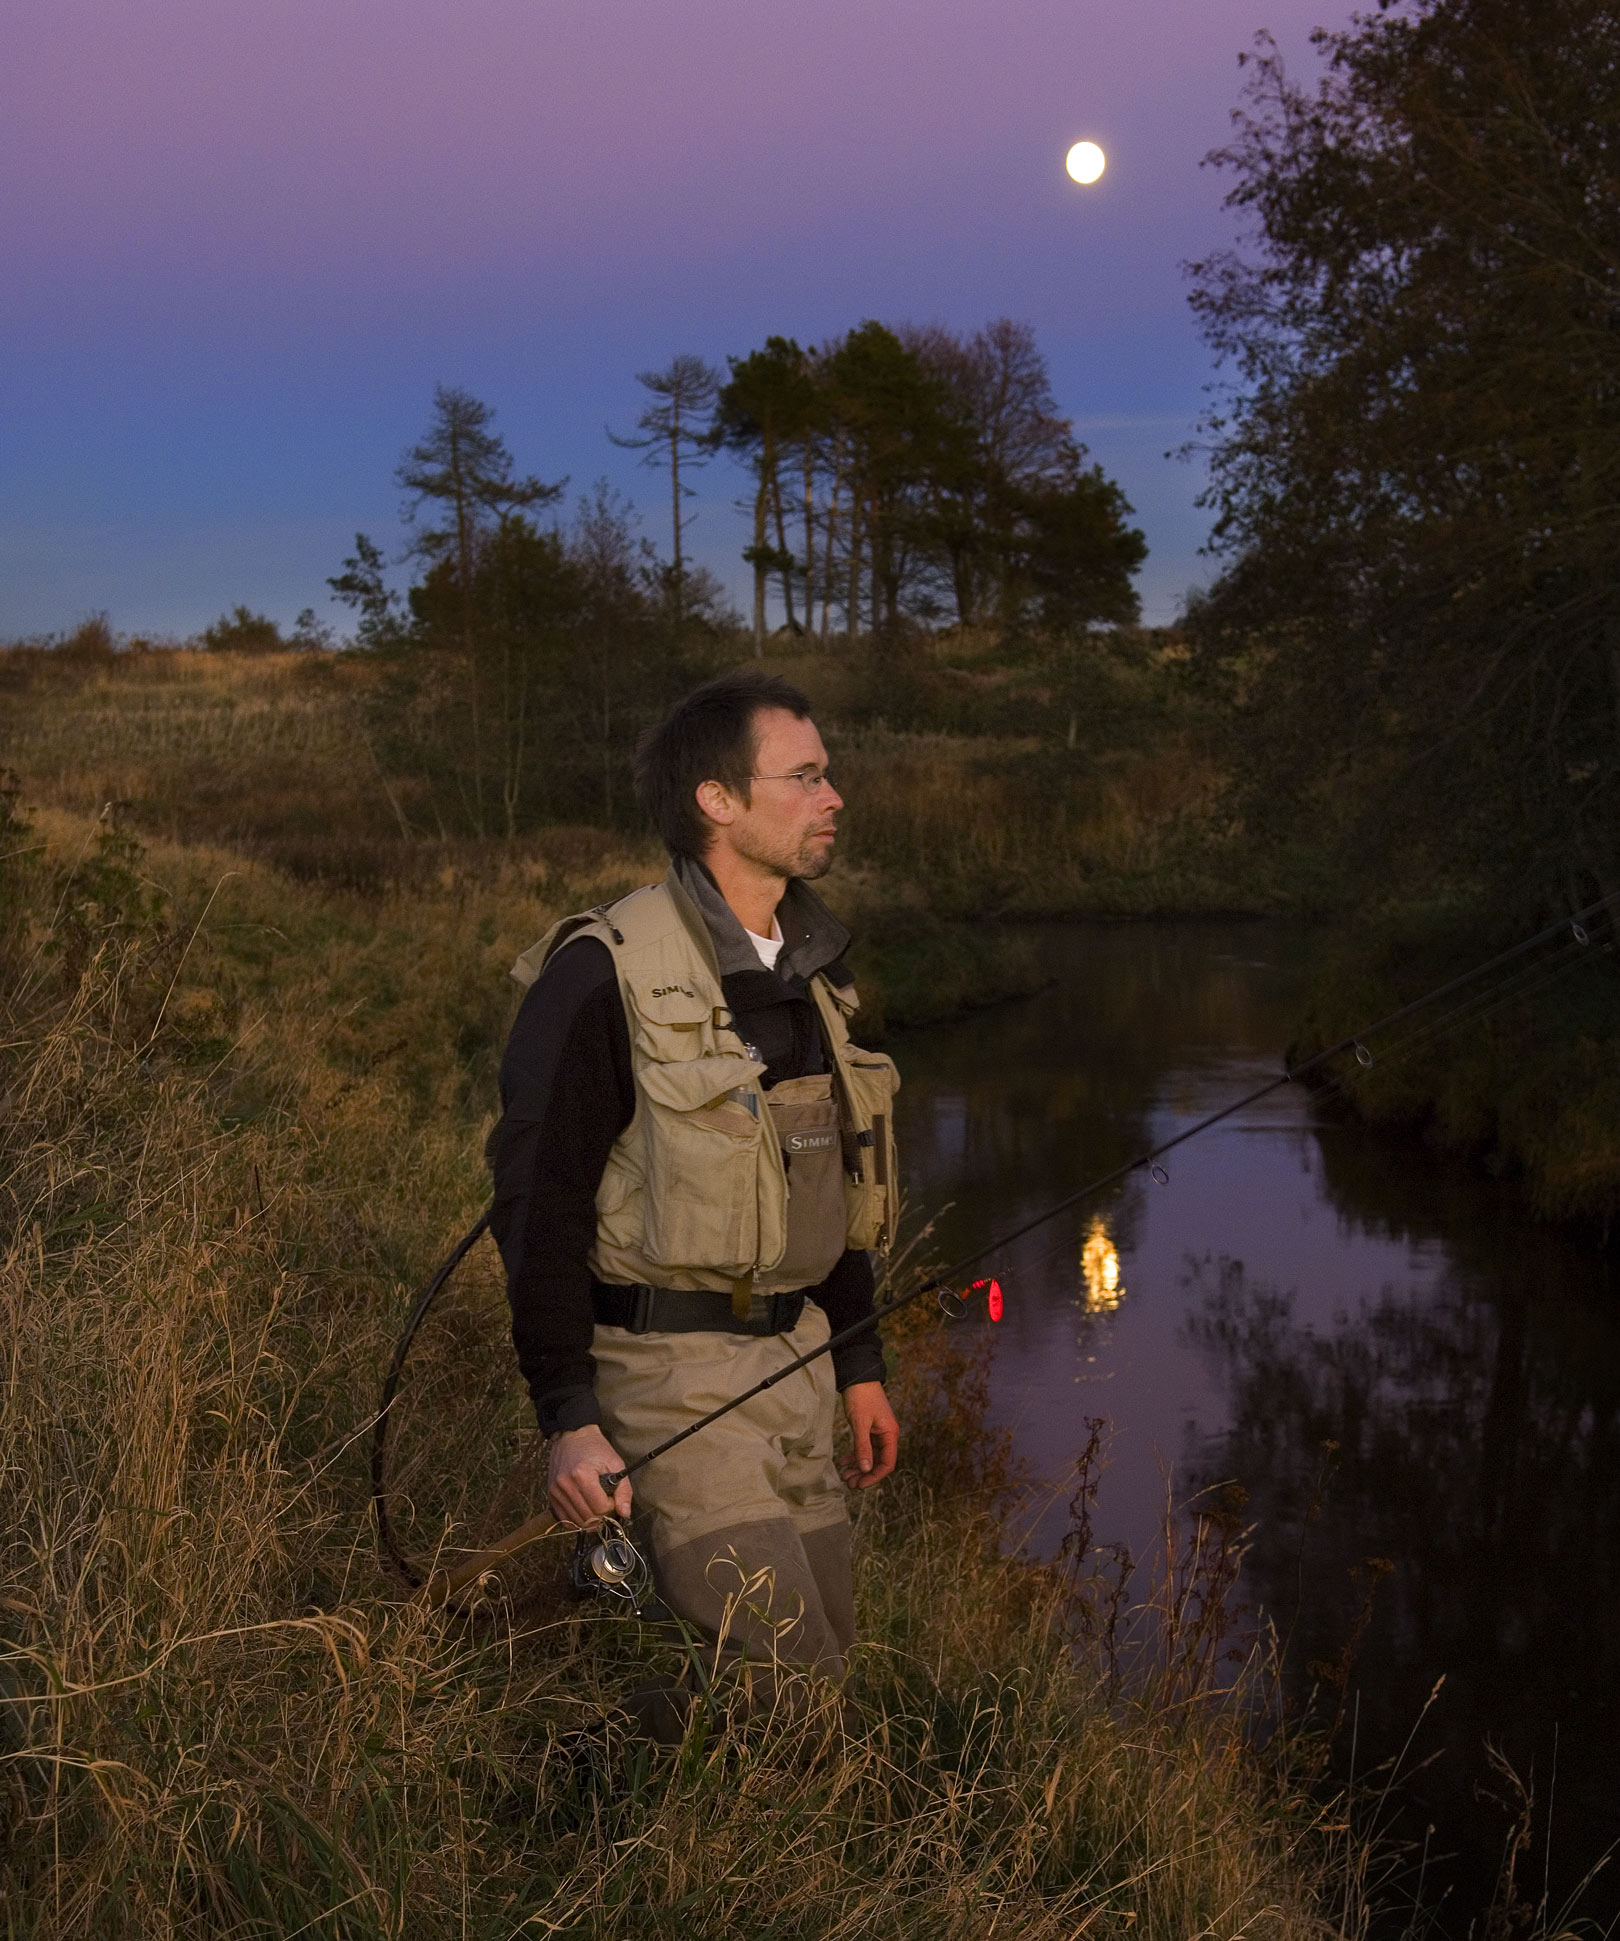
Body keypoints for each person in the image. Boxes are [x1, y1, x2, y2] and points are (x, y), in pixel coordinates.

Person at [489, 671, 900, 1703]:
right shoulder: (601, 973)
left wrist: (858, 1365)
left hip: (799, 1374)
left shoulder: (820, 973)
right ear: (717, 800)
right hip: (666, 1378)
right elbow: (539, 1210)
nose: (832, 796)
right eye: (803, 776)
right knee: (783, 1677)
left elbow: (835, 1193)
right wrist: (567, 1416)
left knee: (832, 1657)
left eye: (828, 773)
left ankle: (697, 1822)